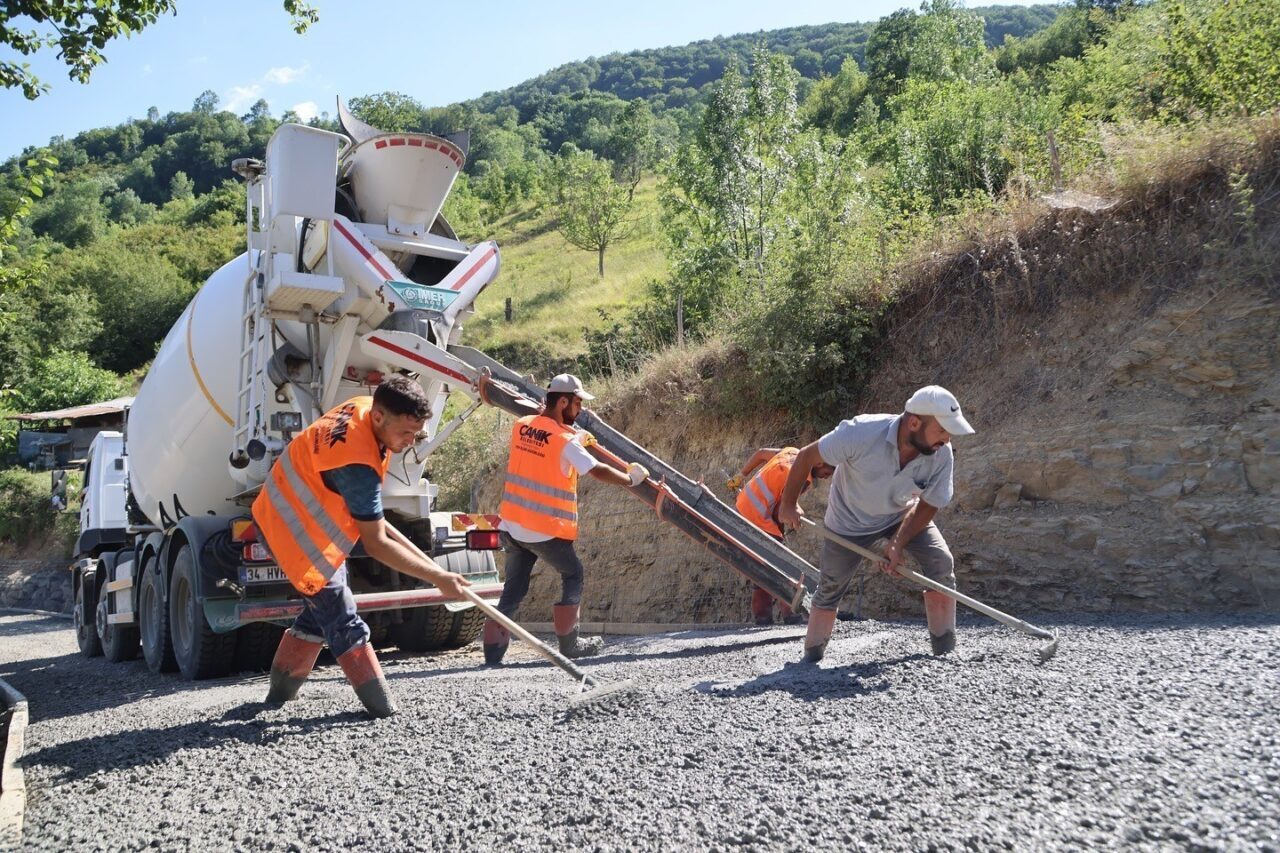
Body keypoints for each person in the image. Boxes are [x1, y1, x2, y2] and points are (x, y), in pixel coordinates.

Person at [252, 375, 472, 717]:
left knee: (317, 616)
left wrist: (436, 572)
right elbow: (377, 544)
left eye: (415, 433)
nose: (410, 442)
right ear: (381, 418)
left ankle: (277, 699)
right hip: (293, 533)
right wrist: (438, 579)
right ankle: (385, 711)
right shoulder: (356, 464)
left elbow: (376, 525)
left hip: (298, 519)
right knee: (342, 616)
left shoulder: (365, 408)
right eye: (405, 433)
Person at [776, 386, 975, 662]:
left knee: (941, 562)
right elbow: (807, 456)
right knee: (830, 586)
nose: (947, 438)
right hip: (848, 522)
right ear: (915, 423)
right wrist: (788, 504)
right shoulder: (860, 433)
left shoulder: (942, 453)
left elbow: (930, 502)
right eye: (942, 430)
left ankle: (944, 650)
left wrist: (898, 543)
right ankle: (812, 656)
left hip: (900, 516)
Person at [483, 374, 648, 666]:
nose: (581, 409)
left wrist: (576, 438)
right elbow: (595, 470)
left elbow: (544, 437)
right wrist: (630, 479)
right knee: (573, 574)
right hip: (543, 531)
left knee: (514, 589)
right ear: (562, 402)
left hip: (512, 525)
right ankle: (570, 645)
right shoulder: (564, 442)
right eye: (577, 403)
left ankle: (492, 654)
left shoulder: (522, 426)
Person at [729, 447, 834, 625]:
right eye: (827, 471)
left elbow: (761, 453)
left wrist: (741, 475)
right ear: (818, 463)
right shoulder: (803, 478)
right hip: (759, 517)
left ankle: (763, 617)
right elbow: (781, 511)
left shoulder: (791, 452)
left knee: (763, 566)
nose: (826, 477)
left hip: (742, 507)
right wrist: (794, 515)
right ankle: (790, 615)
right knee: (783, 566)